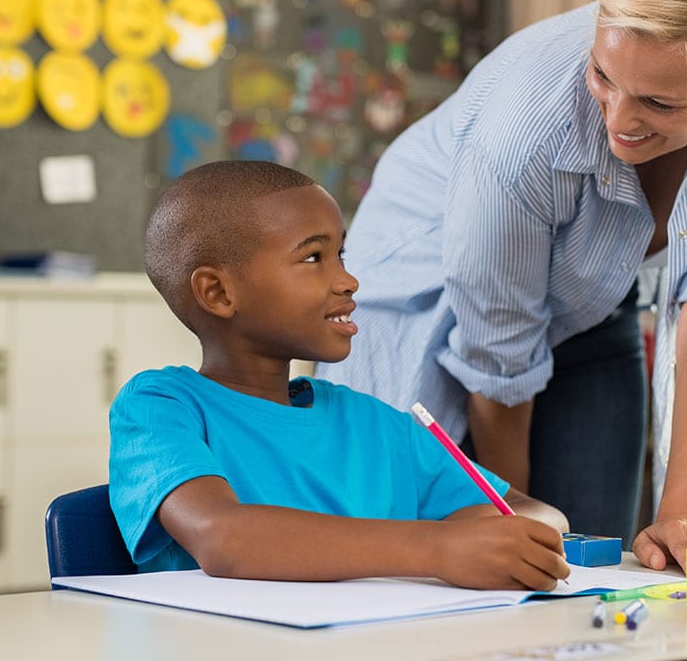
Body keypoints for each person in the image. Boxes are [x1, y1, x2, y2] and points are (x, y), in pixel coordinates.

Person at [316, 0, 687, 571]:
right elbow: (499, 354)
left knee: (599, 558)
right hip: (420, 302)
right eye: (603, 77)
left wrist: (683, 518)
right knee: (430, 566)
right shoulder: (524, 131)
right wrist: (510, 514)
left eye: (660, 104)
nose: (618, 120)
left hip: (591, 304)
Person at [108, 160, 571, 591]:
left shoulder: (374, 424)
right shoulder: (160, 409)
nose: (348, 280)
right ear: (218, 292)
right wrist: (439, 548)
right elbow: (222, 536)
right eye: (313, 258)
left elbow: (533, 514)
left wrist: (504, 539)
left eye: (341, 255)